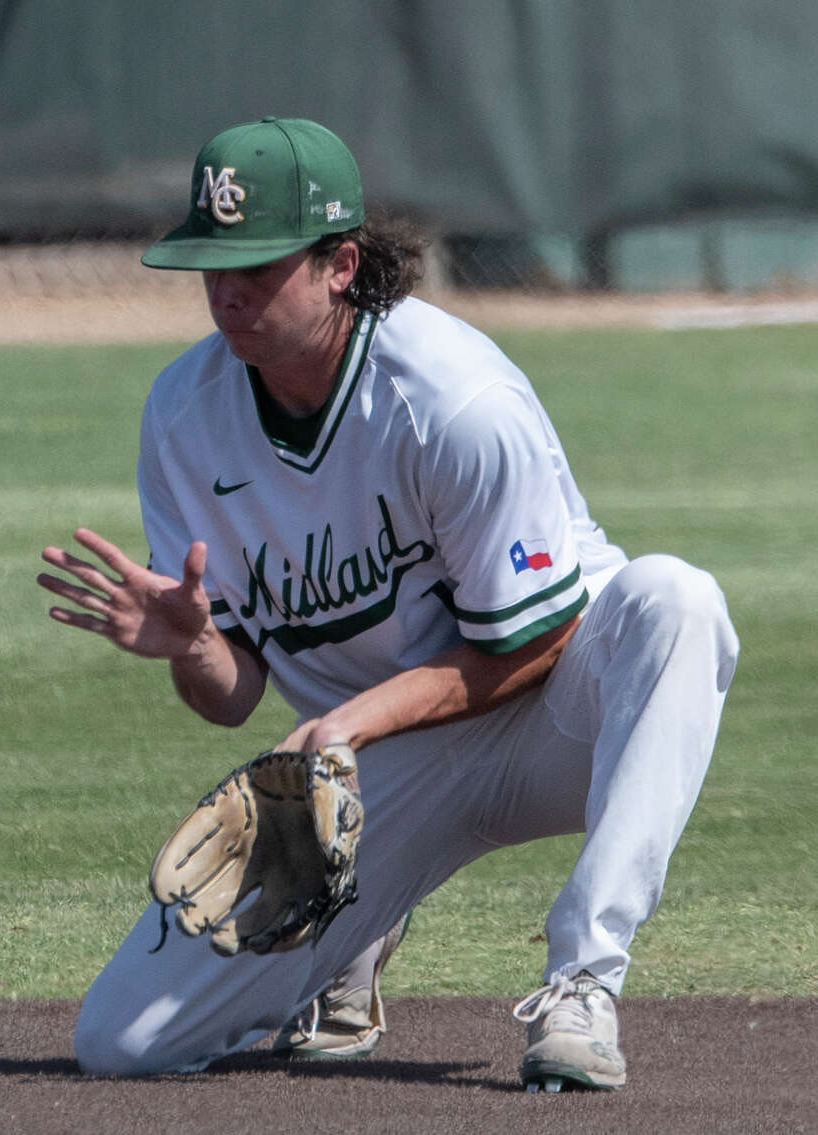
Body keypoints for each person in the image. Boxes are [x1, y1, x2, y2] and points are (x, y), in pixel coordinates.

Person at [37, 116, 738, 1090]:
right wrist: (194, 644)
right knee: (123, 1044)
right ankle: (347, 937)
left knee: (677, 601)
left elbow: (535, 641)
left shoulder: (453, 400)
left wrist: (345, 725)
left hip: (562, 715)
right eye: (210, 263)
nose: (227, 290)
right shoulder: (185, 414)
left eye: (259, 263)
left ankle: (583, 978)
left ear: (341, 263)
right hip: (376, 775)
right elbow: (232, 695)